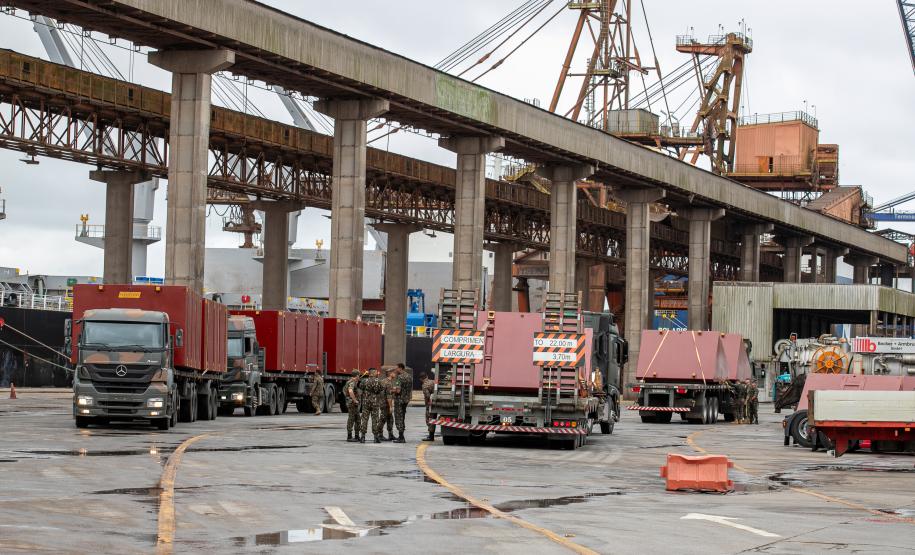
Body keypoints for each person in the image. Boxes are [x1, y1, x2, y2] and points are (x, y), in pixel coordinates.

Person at [359, 368, 384, 443]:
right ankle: (376, 437)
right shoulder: (379, 381)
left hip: (366, 402)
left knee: (364, 419)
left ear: (369, 373)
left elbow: (361, 388)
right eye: (376, 372)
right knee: (375, 419)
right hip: (375, 403)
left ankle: (363, 437)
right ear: (374, 373)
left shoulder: (364, 381)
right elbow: (381, 390)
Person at [393, 363, 412, 443]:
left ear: (400, 368)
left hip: (399, 400)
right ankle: (401, 436)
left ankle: (401, 437)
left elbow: (398, 390)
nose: (396, 370)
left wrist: (391, 390)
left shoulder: (399, 377)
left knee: (398, 418)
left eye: (396, 368)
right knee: (402, 417)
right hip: (406, 400)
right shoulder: (409, 376)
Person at [344, 369, 361, 442]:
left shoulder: (351, 382)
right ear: (356, 376)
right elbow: (350, 391)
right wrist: (355, 400)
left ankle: (357, 436)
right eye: (359, 375)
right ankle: (349, 436)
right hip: (352, 404)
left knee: (357, 420)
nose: (359, 377)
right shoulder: (352, 382)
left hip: (353, 404)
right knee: (351, 419)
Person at [381, 368, 396, 441]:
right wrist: (390, 407)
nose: (395, 374)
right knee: (383, 419)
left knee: (390, 419)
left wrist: (393, 390)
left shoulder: (384, 381)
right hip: (385, 404)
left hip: (383, 402)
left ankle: (390, 434)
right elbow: (388, 396)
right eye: (394, 373)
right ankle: (379, 435)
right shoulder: (388, 383)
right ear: (390, 373)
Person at [421, 371, 436, 441]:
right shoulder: (433, 381)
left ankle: (431, 436)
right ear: (427, 376)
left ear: (421, 379)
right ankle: (431, 435)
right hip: (436, 403)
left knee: (429, 420)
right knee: (433, 419)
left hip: (430, 405)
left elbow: (427, 395)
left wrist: (429, 403)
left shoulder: (424, 385)